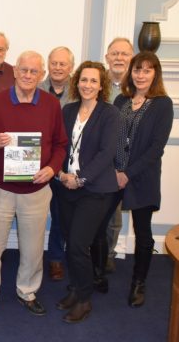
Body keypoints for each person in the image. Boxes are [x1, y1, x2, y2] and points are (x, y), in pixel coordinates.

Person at [0, 51, 67, 318]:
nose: (28, 75)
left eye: (34, 71)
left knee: (32, 247)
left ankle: (27, 291)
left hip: (36, 191)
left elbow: (60, 144)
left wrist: (51, 168)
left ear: (41, 75)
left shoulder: (51, 105)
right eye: (24, 70)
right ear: (15, 71)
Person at [102, 51, 172, 307]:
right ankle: (98, 274)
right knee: (99, 226)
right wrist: (113, 172)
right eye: (137, 69)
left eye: (147, 70)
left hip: (142, 177)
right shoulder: (121, 99)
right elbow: (110, 138)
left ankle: (138, 283)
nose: (141, 75)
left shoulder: (163, 103)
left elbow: (156, 148)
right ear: (131, 72)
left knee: (143, 234)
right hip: (112, 175)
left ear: (155, 74)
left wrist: (128, 174)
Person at [56, 61, 120, 323]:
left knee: (80, 244)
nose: (88, 85)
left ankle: (84, 300)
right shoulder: (68, 110)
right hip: (66, 187)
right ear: (77, 82)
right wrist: (61, 174)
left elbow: (107, 154)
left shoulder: (110, 114)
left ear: (101, 85)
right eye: (84, 80)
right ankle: (75, 288)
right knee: (71, 243)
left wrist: (80, 179)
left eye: (94, 81)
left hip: (95, 190)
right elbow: (59, 144)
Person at [39, 46, 75, 281]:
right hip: (39, 163)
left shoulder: (80, 90)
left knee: (62, 214)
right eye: (54, 63)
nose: (58, 68)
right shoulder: (36, 89)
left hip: (67, 162)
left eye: (63, 64)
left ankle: (55, 258)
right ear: (48, 65)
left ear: (70, 67)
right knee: (34, 212)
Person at [104, 37, 134, 273]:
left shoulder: (137, 88)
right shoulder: (95, 82)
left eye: (124, 54)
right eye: (115, 54)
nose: (119, 58)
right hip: (95, 160)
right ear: (107, 57)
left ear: (131, 58)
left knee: (114, 215)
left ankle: (109, 254)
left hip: (121, 162)